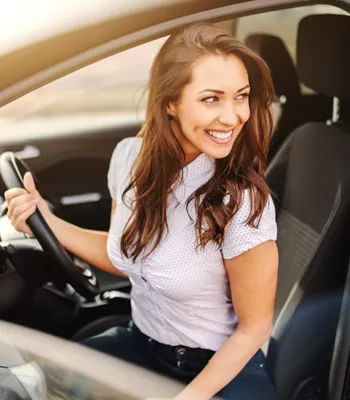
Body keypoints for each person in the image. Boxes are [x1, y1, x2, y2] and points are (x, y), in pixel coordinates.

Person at [5, 23, 278, 400]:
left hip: (220, 371)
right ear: (170, 101)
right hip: (141, 347)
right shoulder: (128, 158)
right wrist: (46, 222)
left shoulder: (242, 202)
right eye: (212, 99)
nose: (232, 117)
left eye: (241, 96)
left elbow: (254, 328)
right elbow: (127, 254)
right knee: (25, 383)